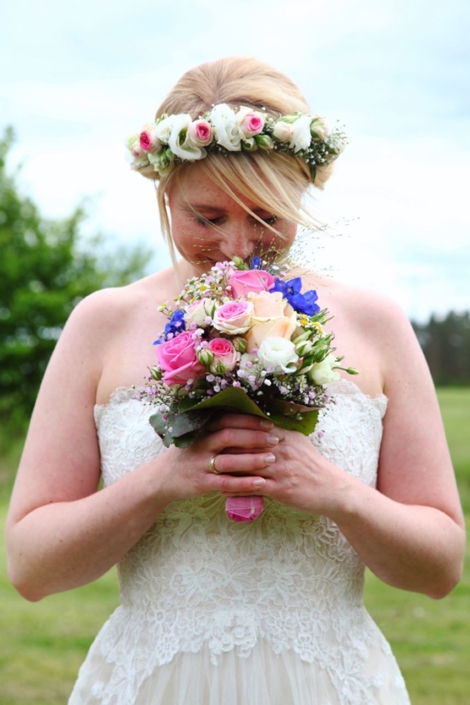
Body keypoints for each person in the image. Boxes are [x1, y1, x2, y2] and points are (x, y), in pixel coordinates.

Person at [6, 56, 465, 705]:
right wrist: (159, 481)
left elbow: (441, 567)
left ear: (300, 197)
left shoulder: (377, 323)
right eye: (208, 216)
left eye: (266, 214)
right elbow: (30, 566)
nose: (239, 245)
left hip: (326, 682)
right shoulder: (101, 325)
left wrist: (334, 490)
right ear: (166, 193)